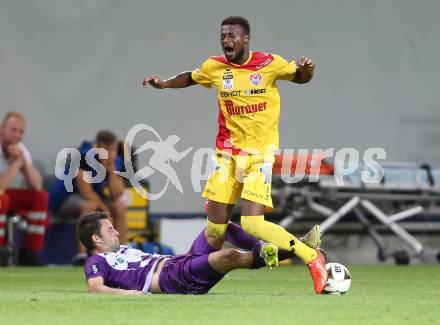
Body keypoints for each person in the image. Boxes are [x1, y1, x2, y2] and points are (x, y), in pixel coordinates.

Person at [142, 16, 327, 293]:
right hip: (226, 157)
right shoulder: (215, 66)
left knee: (252, 222)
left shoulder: (269, 63)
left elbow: (300, 77)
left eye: (232, 36)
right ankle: (199, 271)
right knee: (216, 230)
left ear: (246, 39)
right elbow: (191, 77)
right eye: (223, 35)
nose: (226, 40)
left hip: (258, 157)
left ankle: (312, 257)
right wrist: (165, 84)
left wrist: (307, 70)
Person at [79, 212, 320, 295]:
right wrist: (130, 295)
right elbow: (95, 288)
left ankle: (279, 247)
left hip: (178, 264)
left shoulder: (122, 249)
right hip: (170, 280)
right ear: (96, 239)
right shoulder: (95, 260)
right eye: (110, 229)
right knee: (229, 257)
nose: (117, 231)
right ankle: (300, 249)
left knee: (218, 227)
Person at [49, 130, 128, 265]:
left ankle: (122, 252)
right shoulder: (83, 158)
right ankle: (82, 255)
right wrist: (106, 212)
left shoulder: (117, 161)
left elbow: (117, 194)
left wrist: (112, 170)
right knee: (89, 206)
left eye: (113, 149)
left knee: (119, 206)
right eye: (106, 149)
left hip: (93, 196)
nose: (110, 154)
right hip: (64, 198)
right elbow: (87, 194)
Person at [0, 111, 48, 266]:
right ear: (2, 128)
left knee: (40, 197)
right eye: (13, 130)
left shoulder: (20, 148)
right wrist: (17, 162)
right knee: (2, 198)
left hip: (5, 195)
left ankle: (30, 251)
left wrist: (24, 164)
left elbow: (37, 185)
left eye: (21, 132)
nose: (17, 135)